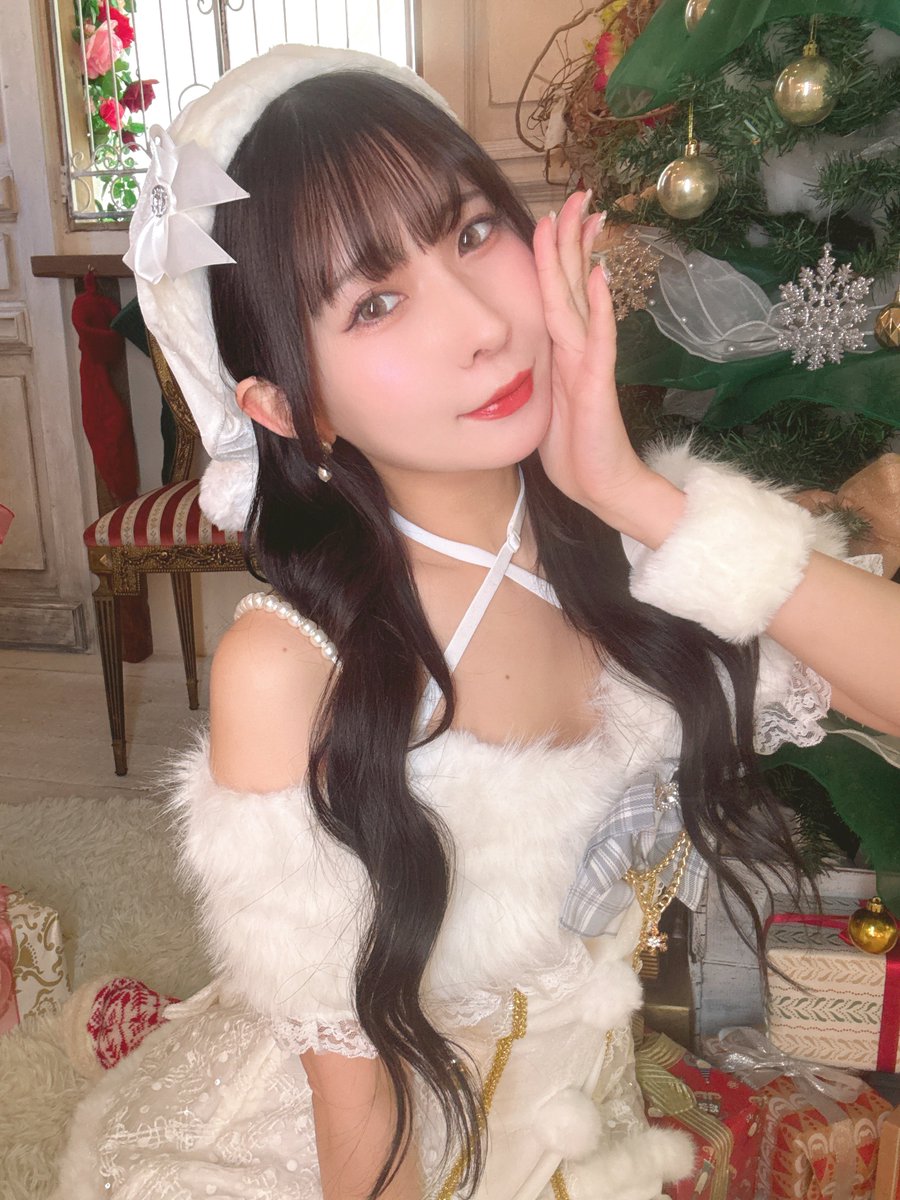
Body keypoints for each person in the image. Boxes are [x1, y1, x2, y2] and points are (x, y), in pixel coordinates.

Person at [54, 43, 900, 1200]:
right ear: (287, 406)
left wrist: (633, 494)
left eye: (471, 231)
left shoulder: (651, 539)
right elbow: (360, 1113)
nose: (481, 325)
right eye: (375, 303)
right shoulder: (289, 668)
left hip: (584, 1129)